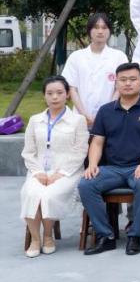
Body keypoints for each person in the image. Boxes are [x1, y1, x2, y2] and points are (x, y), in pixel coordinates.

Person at [78, 63, 140, 255]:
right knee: (86, 184)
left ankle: (135, 236)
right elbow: (97, 142)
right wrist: (92, 164)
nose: (128, 83)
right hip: (112, 168)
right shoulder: (106, 110)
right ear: (116, 83)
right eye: (123, 80)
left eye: (133, 79)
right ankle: (106, 236)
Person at [20, 76, 89, 257]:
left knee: (49, 195)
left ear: (67, 95)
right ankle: (36, 239)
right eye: (50, 93)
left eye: (59, 92)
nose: (55, 97)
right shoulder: (35, 120)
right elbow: (28, 152)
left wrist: (61, 173)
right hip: (38, 171)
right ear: (44, 96)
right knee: (31, 193)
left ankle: (48, 235)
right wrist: (37, 172)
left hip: (68, 172)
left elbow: (80, 152)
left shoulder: (78, 120)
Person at [62, 13, 129, 129]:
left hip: (110, 116)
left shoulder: (119, 57)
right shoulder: (76, 57)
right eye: (96, 27)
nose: (100, 31)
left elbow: (119, 88)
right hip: (80, 117)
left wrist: (106, 112)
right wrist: (83, 114)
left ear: (109, 31)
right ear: (89, 31)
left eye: (104, 27)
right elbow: (72, 88)